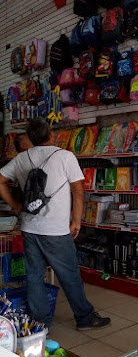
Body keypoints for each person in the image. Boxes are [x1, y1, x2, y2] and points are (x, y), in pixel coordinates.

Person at [0, 117, 111, 331]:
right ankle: (85, 318)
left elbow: (1, 180)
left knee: (34, 275)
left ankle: (39, 323)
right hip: (56, 230)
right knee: (69, 275)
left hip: (29, 228)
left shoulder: (22, 158)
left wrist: (15, 204)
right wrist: (77, 220)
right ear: (52, 135)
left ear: (31, 137)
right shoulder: (65, 157)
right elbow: (78, 191)